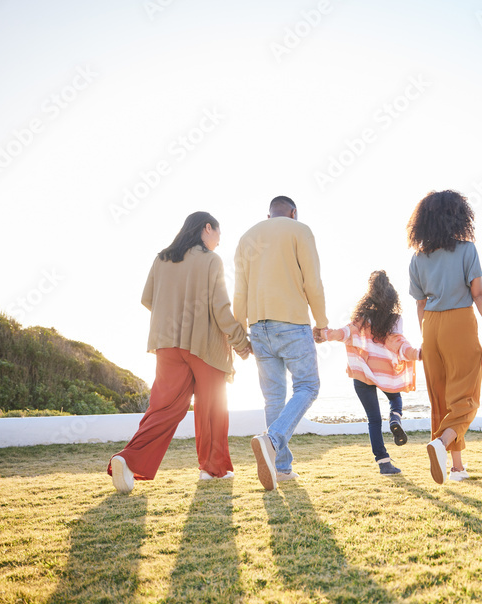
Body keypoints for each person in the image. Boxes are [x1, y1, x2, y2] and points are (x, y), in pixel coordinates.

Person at [109, 212, 251, 494]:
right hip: (203, 345)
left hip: (167, 344)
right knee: (211, 407)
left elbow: (147, 299)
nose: (219, 243)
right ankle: (212, 470)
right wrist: (241, 342)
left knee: (163, 409)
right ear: (206, 228)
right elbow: (221, 309)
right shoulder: (211, 261)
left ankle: (127, 458)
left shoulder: (161, 258)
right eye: (218, 236)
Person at [234, 196, 328, 491]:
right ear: (293, 212)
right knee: (308, 386)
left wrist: (240, 336)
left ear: (268, 214)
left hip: (257, 328)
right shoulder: (299, 230)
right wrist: (322, 323)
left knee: (273, 399)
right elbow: (313, 281)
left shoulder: (247, 237)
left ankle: (281, 467)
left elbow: (239, 292)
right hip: (291, 322)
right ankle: (272, 440)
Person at [407, 190, 482, 485]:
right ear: (458, 217)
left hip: (430, 326)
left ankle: (456, 468)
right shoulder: (466, 250)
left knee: (441, 398)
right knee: (467, 397)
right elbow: (479, 294)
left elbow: (420, 304)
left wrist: (425, 336)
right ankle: (441, 444)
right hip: (459, 320)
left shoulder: (418, 258)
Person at [321, 270, 421, 475]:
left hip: (363, 374)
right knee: (396, 400)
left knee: (374, 419)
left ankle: (384, 463)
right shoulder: (394, 320)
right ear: (392, 299)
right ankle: (395, 419)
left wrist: (325, 334)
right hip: (385, 374)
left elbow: (344, 333)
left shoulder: (361, 318)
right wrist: (418, 354)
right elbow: (399, 344)